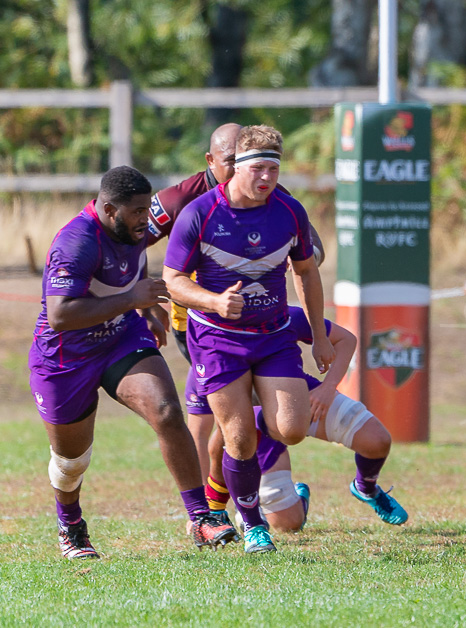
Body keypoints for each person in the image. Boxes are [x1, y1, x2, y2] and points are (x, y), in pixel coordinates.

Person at [29, 166, 235, 558]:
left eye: (147, 209)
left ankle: (201, 518)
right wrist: (132, 299)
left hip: (120, 336)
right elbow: (59, 315)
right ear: (109, 210)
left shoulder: (132, 227)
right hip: (64, 356)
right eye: (138, 212)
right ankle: (70, 525)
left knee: (167, 411)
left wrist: (147, 311)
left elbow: (133, 261)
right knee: (72, 462)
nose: (147, 220)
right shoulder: (76, 242)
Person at [163, 125, 333, 554]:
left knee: (292, 429)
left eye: (274, 170)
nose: (267, 179)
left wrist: (318, 335)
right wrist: (215, 302)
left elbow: (307, 272)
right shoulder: (199, 213)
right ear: (234, 166)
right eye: (258, 168)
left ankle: (250, 476)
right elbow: (173, 280)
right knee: (238, 439)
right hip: (217, 339)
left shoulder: (290, 211)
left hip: (274, 336)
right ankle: (253, 524)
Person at [194, 306, 406, 532]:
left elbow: (346, 339)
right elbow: (217, 440)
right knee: (288, 524)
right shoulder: (209, 331)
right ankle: (249, 513)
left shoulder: (279, 314)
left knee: (377, 440)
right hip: (253, 420)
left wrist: (328, 387)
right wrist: (212, 508)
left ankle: (366, 487)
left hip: (297, 399)